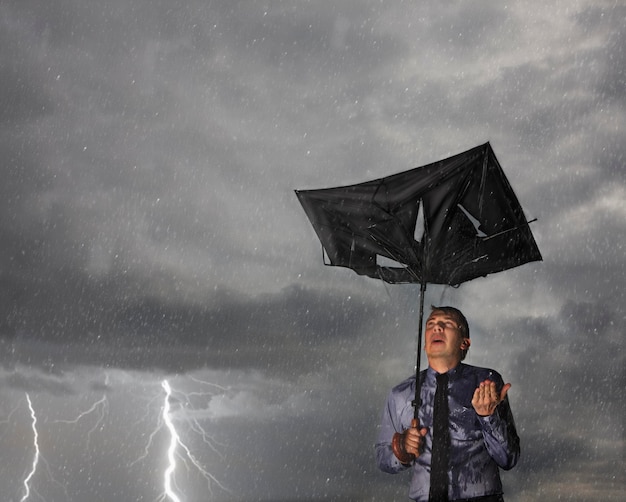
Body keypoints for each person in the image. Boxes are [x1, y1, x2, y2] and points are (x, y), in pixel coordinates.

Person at [375, 306, 520, 502]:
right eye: (431, 324)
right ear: (425, 344)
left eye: (448, 324)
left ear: (464, 342)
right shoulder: (401, 393)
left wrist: (488, 417)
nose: (437, 328)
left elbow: (508, 458)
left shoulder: (487, 382)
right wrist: (401, 448)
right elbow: (383, 457)